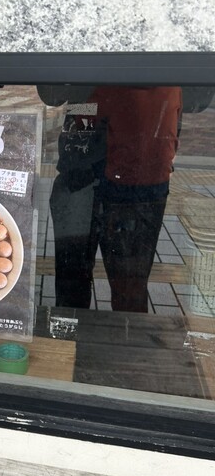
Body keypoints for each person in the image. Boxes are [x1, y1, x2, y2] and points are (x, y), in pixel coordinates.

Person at [49, 85, 182, 313]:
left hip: (117, 175)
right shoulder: (167, 76)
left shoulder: (102, 84)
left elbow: (62, 101)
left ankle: (82, 330)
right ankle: (123, 330)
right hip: (140, 176)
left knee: (77, 282)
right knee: (128, 286)